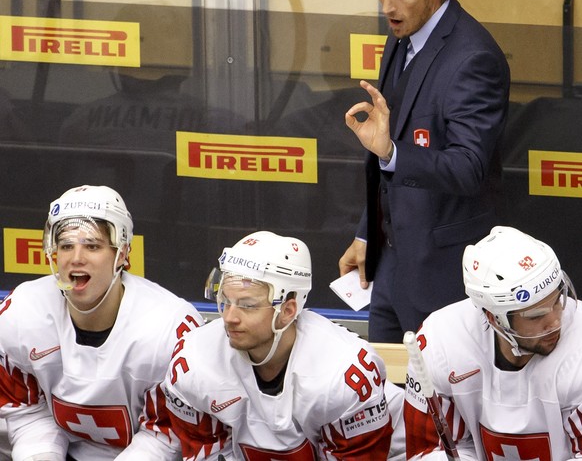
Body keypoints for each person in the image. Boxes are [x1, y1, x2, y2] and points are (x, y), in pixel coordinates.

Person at [339, 0, 510, 342]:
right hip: (388, 267)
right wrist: (368, 233)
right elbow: (389, 156)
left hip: (441, 279)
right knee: (382, 395)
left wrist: (393, 154)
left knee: (435, 404)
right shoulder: (402, 32)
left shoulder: (474, 58)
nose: (387, 6)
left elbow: (469, 167)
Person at [0, 184, 204, 460]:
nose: (76, 259)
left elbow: (166, 434)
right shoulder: (22, 311)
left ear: (121, 254)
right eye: (66, 246)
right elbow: (28, 410)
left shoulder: (168, 326)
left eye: (93, 246)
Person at [162, 230, 405, 459]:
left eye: (247, 305)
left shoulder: (342, 372)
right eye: (225, 300)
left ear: (288, 311)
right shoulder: (193, 359)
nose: (229, 317)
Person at [404, 226, 582, 459]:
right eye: (536, 315)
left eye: (558, 300)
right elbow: (427, 450)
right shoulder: (441, 340)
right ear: (494, 318)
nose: (555, 321)